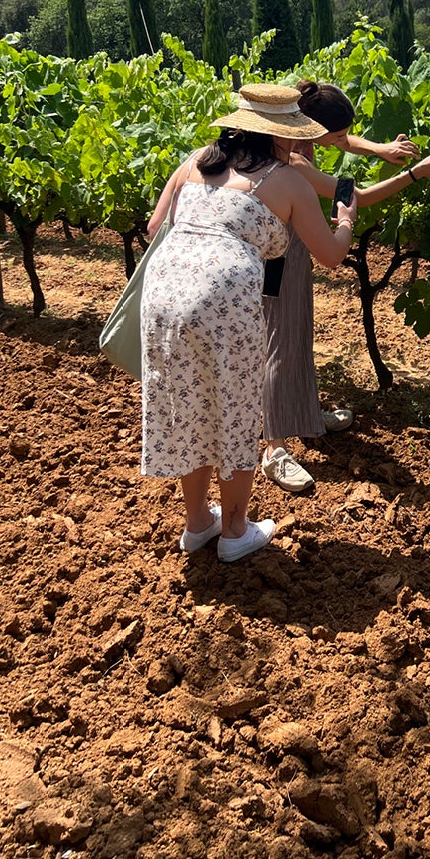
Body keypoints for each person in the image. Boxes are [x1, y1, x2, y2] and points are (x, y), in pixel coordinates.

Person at [140, 84, 357, 563]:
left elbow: (156, 228)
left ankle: (198, 524)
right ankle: (236, 530)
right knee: (236, 410)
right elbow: (331, 255)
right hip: (225, 305)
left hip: (163, 298)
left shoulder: (197, 159)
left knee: (188, 403)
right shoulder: (286, 179)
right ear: (282, 135)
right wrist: (346, 218)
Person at [260, 78, 430, 493]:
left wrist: (381, 149)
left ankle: (306, 413)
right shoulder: (296, 164)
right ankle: (273, 448)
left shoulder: (300, 138)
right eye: (339, 133)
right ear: (313, 128)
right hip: (273, 257)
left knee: (298, 334)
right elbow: (356, 195)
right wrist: (417, 174)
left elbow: (346, 142)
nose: (345, 140)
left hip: (293, 247)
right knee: (280, 342)